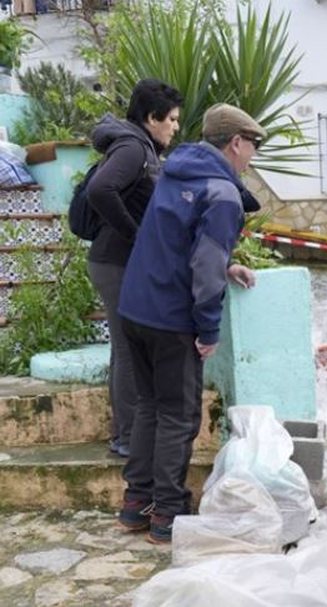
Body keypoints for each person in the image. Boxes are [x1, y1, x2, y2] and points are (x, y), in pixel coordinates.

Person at [116, 103, 264, 544]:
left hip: (134, 309)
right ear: (236, 142)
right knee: (179, 417)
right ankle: (167, 512)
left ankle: (135, 503)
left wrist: (226, 267)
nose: (253, 154)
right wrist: (208, 328)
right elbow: (203, 260)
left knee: (148, 406)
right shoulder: (222, 192)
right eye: (253, 145)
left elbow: (178, 242)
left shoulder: (174, 171)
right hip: (171, 318)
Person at [86, 79, 183, 459]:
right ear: (151, 117)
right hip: (116, 263)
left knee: (124, 348)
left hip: (115, 261)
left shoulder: (139, 146)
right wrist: (137, 236)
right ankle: (126, 437)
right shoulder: (132, 147)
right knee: (128, 349)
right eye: (171, 119)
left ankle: (125, 432)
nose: (175, 127)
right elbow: (99, 190)